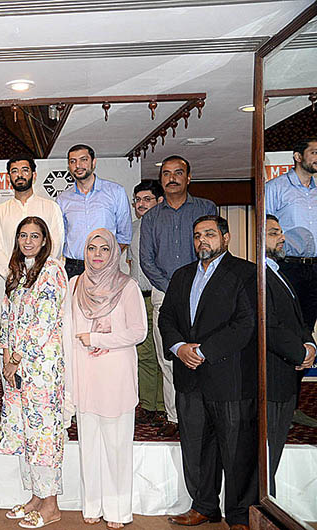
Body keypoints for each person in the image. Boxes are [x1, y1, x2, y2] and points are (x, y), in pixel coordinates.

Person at [159, 215, 257, 530]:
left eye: (210, 234)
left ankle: (240, 515)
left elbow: (246, 323)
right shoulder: (181, 275)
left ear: (226, 238)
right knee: (196, 448)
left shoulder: (246, 273)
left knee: (237, 450)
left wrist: (202, 350)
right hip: (189, 378)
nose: (203, 240)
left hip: (229, 377)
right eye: (198, 235)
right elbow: (166, 317)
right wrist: (178, 347)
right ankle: (203, 506)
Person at [64, 229, 146, 529]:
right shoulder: (74, 285)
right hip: (85, 375)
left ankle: (118, 510)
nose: (97, 255)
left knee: (117, 447)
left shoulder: (128, 286)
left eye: (104, 249)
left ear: (115, 253)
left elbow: (138, 332)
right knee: (90, 446)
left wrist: (98, 337)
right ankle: (92, 505)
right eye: (91, 249)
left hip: (116, 376)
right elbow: (67, 335)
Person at [139, 156, 217, 437]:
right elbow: (146, 261)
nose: (172, 178)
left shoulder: (206, 208)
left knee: (204, 354)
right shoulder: (150, 217)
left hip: (203, 293)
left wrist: (192, 285)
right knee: (168, 358)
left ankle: (208, 414)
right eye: (167, 173)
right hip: (165, 295)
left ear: (188, 177)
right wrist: (174, 289)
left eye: (178, 173)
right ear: (162, 180)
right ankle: (175, 419)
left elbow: (213, 250)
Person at [0, 216, 68, 529]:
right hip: (14, 369)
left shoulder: (52, 270)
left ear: (44, 240)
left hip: (41, 368)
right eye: (23, 235)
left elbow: (45, 322)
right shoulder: (16, 271)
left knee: (44, 434)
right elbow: (6, 317)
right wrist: (4, 355)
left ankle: (51, 504)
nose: (28, 241)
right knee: (25, 432)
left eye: (34, 236)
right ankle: (36, 497)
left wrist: (15, 356)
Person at [0, 155, 64, 375]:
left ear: (34, 174)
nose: (19, 175)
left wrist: (36, 276)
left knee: (39, 337)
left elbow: (55, 245)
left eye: (24, 170)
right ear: (8, 176)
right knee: (8, 345)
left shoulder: (50, 207)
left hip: (43, 287)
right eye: (14, 171)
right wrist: (16, 276)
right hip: (9, 285)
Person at [265, 138, 317, 427]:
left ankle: (294, 402)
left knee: (306, 334)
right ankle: (283, 401)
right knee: (287, 335)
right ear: (297, 156)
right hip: (289, 269)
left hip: (315, 268)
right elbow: (264, 229)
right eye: (314, 152)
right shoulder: (276, 189)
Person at [264, 215, 316, 497]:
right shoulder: (258, 277)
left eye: (281, 232)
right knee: (266, 453)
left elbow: (297, 322)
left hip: (286, 382)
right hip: (270, 381)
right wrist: (299, 351)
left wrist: (310, 346)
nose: (282, 238)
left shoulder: (280, 274)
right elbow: (269, 325)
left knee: (276, 449)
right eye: (274, 233)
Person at [56, 145, 132, 279]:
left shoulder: (115, 192)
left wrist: (109, 257)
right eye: (73, 161)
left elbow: (124, 235)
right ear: (69, 166)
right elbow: (60, 237)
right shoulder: (62, 199)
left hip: (106, 266)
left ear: (94, 162)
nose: (78, 165)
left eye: (83, 159)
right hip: (73, 268)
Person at [127, 180, 165, 425]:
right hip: (137, 299)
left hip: (161, 297)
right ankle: (148, 404)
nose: (141, 204)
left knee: (163, 354)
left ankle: (164, 406)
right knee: (143, 353)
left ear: (159, 201)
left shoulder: (166, 227)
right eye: (138, 200)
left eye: (146, 199)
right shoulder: (130, 228)